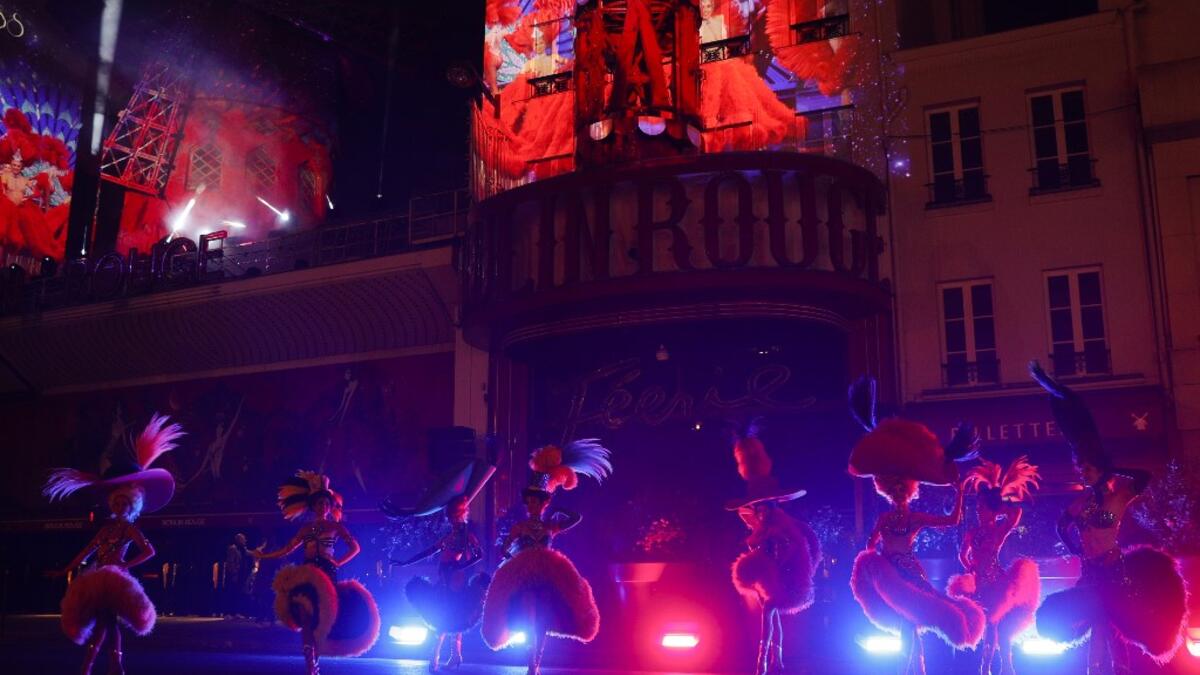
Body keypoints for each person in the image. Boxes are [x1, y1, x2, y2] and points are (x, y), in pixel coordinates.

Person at [1030, 361, 1187, 674]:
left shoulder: (1118, 496)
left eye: (1087, 468)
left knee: (1111, 630)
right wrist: (1074, 546)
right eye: (1081, 468)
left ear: (1099, 467)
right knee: (1096, 628)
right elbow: (1061, 525)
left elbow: (1143, 476)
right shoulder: (1081, 502)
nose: (1082, 472)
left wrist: (1111, 470)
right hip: (1090, 571)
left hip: (1114, 571)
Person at [845, 377, 985, 675]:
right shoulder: (893, 519)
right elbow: (869, 549)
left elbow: (950, 522)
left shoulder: (905, 519)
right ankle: (913, 670)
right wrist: (872, 568)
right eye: (893, 491)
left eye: (898, 490)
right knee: (906, 626)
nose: (896, 495)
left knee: (910, 624)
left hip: (905, 573)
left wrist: (960, 494)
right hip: (894, 573)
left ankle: (914, 670)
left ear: (902, 490)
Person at [43, 413, 185, 675]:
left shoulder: (129, 528)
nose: (119, 506)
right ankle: (113, 665)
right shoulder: (107, 528)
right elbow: (87, 551)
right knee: (106, 624)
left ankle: (97, 665)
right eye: (116, 503)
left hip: (116, 580)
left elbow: (149, 551)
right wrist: (65, 570)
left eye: (123, 504)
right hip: (99, 578)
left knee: (105, 623)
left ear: (131, 505)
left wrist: (125, 563)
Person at [481, 440, 612, 675]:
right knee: (526, 614)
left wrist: (556, 497)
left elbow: (575, 517)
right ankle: (530, 657)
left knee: (541, 619)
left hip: (546, 577)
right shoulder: (520, 527)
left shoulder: (551, 527)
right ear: (527, 503)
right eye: (530, 500)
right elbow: (504, 550)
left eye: (537, 500)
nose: (533, 504)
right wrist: (512, 559)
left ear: (544, 503)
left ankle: (534, 662)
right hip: (522, 575)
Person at [252, 471, 380, 675]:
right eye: (319, 504)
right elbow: (286, 549)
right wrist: (263, 556)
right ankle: (310, 663)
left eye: (326, 504)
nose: (323, 507)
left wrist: (337, 562)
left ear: (330, 507)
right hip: (308, 572)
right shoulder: (306, 529)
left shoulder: (334, 526)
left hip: (327, 572)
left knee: (322, 618)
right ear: (313, 506)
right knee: (305, 616)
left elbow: (355, 547)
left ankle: (314, 661)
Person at [725, 425, 820, 674]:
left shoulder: (780, 526)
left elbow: (794, 547)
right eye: (758, 508)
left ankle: (763, 662)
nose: (760, 511)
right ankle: (776, 660)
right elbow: (757, 542)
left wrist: (778, 564)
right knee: (771, 613)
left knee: (769, 611)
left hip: (781, 578)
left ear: (772, 505)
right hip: (767, 578)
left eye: (764, 507)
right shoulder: (761, 525)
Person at [386, 459, 496, 671]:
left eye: (457, 514)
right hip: (444, 574)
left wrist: (460, 568)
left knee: (449, 613)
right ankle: (451, 656)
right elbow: (431, 550)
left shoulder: (465, 533)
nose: (454, 517)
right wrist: (405, 561)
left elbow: (479, 555)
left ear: (462, 513)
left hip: (454, 576)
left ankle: (442, 656)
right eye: (452, 515)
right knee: (446, 613)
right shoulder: (450, 534)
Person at [947, 456, 1042, 675]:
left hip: (997, 584)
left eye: (982, 507)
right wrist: (971, 567)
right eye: (978, 507)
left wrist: (1001, 500)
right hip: (980, 585)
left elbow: (1015, 514)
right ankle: (994, 667)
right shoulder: (972, 533)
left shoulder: (997, 530)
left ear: (992, 510)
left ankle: (996, 667)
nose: (978, 510)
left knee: (996, 624)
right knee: (991, 625)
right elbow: (962, 555)